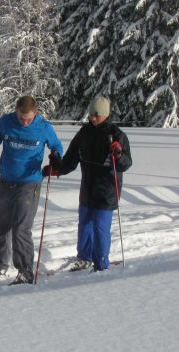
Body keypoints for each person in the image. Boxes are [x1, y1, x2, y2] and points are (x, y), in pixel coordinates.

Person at [0, 95, 63, 285]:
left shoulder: (43, 127)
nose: (24, 122)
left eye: (28, 119)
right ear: (16, 112)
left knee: (21, 228)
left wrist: (56, 156)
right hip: (6, 181)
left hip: (29, 183)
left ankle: (25, 271)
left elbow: (56, 146)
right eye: (21, 118)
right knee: (2, 226)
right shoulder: (6, 122)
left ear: (36, 113)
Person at [45, 95, 132, 271]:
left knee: (100, 228)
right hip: (88, 188)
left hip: (107, 190)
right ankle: (84, 258)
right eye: (91, 114)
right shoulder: (85, 132)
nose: (92, 118)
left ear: (106, 115)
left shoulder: (116, 135)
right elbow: (71, 159)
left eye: (96, 115)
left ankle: (101, 264)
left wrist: (118, 154)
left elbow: (125, 165)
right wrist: (56, 169)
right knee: (84, 224)